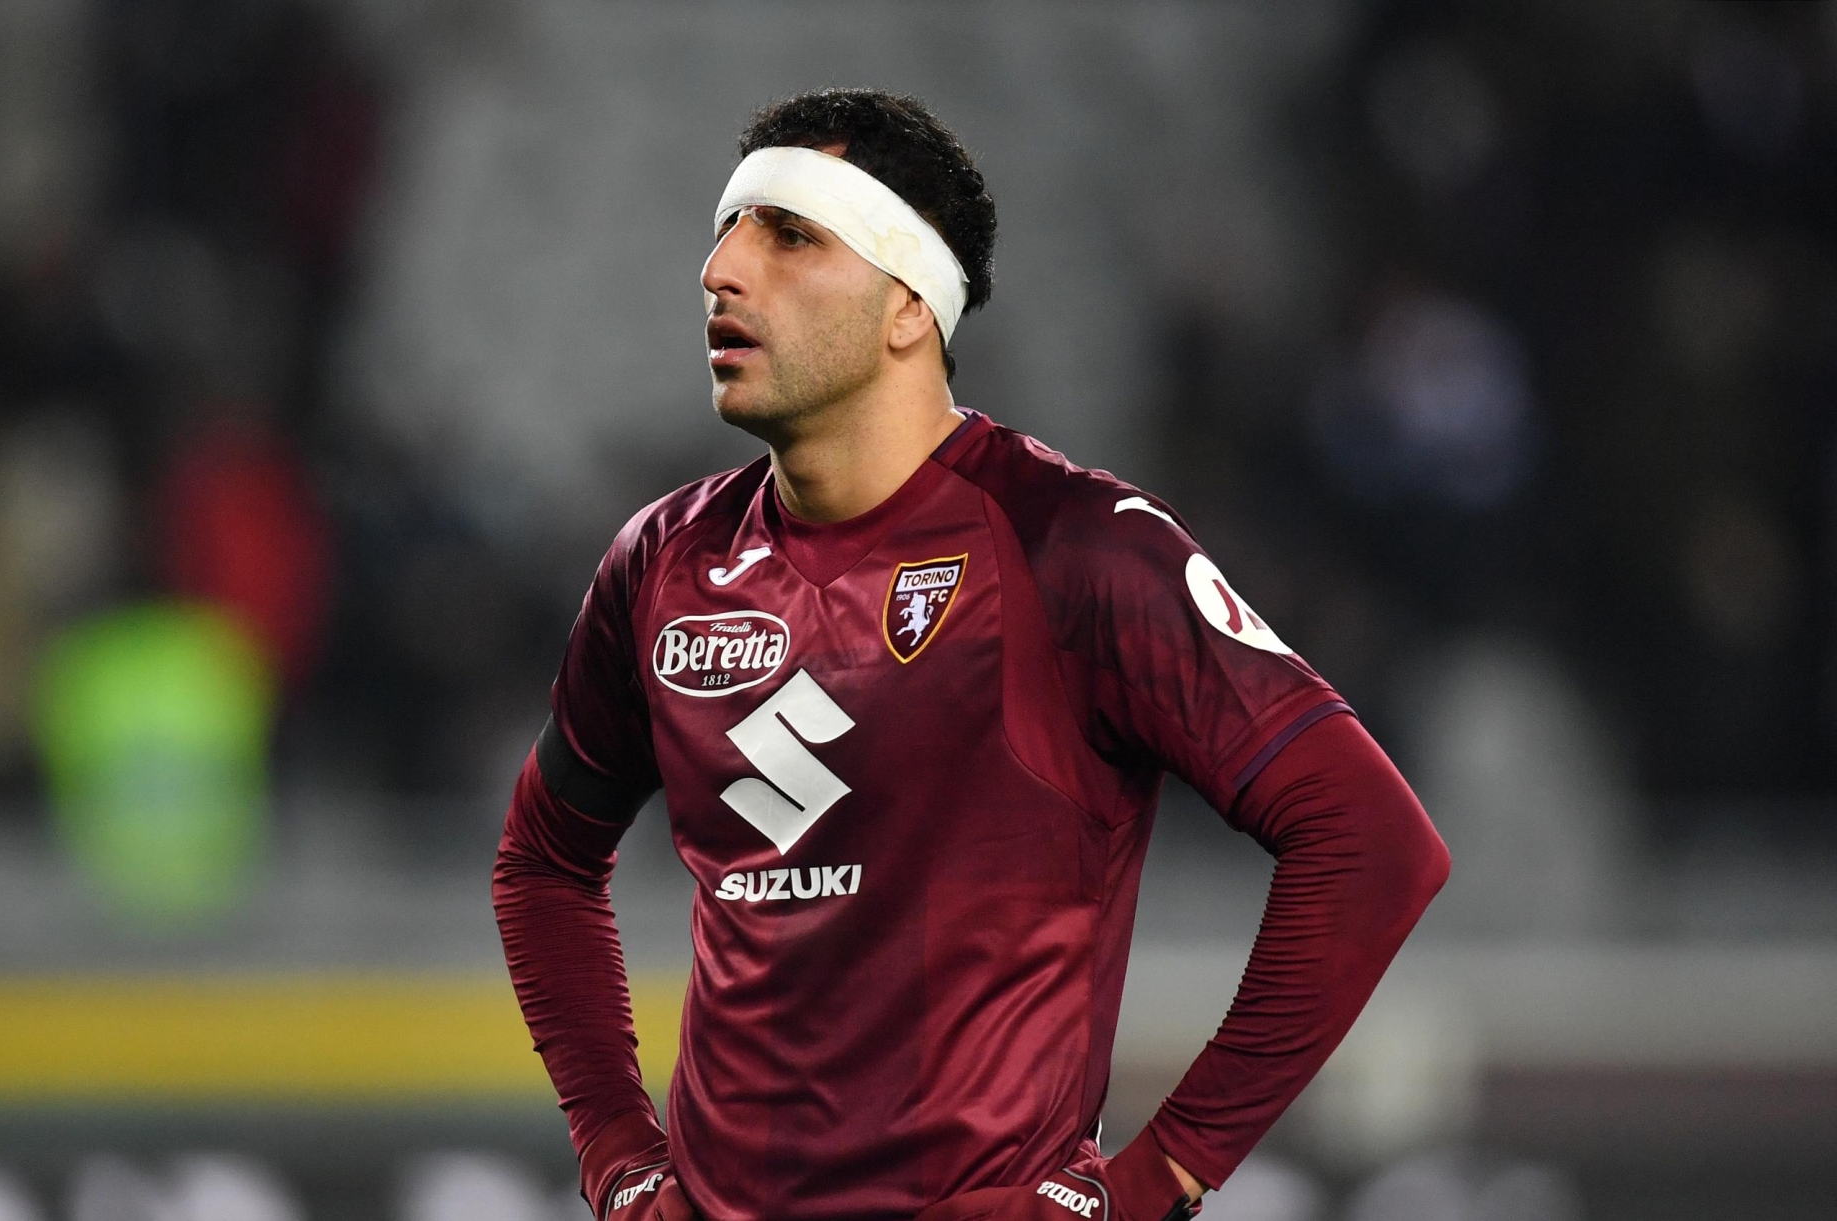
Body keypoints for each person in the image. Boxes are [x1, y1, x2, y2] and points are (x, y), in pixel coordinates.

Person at [492, 88, 1450, 1221]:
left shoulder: (1074, 550)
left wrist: (1157, 1179)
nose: (722, 271)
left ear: (908, 307)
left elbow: (1372, 841)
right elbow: (543, 863)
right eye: (726, 231)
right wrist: (619, 1158)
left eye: (789, 235)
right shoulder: (663, 560)